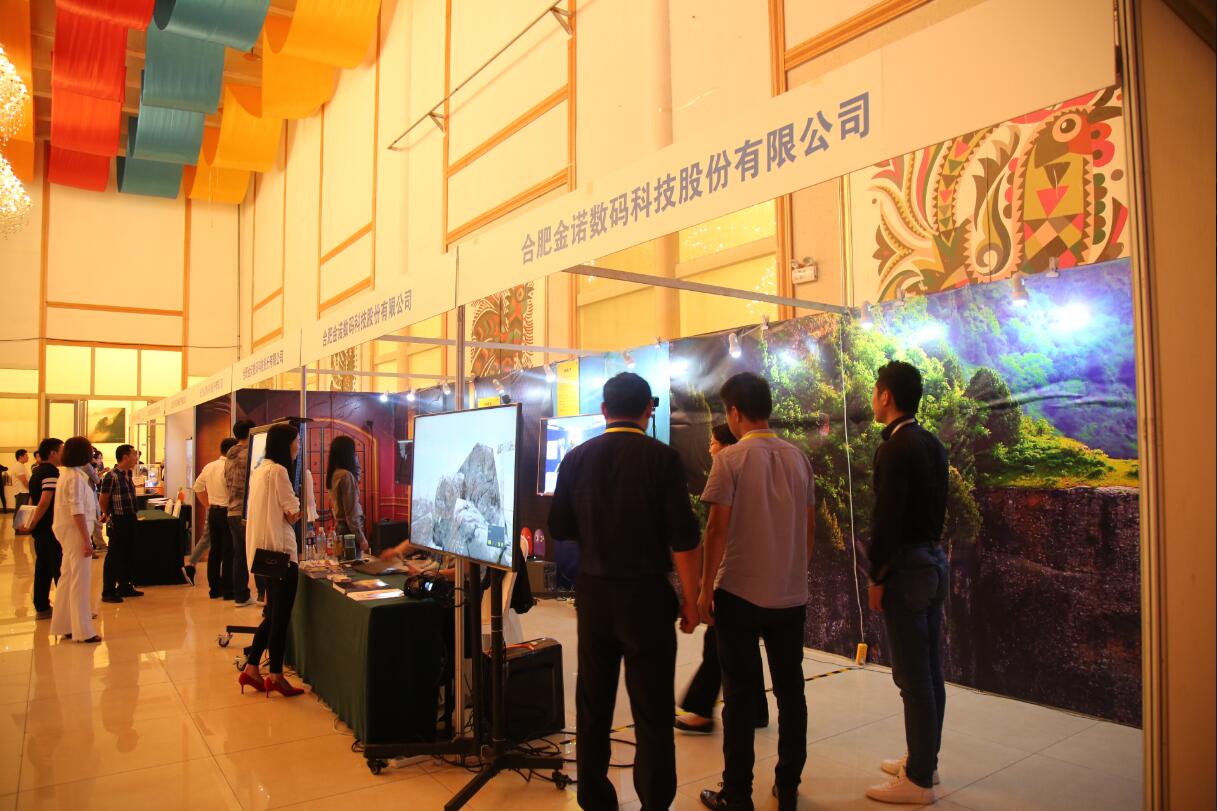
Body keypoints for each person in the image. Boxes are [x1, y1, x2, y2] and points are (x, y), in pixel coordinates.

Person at [548, 372, 702, 811]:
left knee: (593, 703)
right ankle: (654, 800)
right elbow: (684, 540)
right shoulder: (663, 459)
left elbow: (559, 526)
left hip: (594, 594)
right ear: (648, 410)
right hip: (646, 597)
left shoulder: (575, 458)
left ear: (603, 410)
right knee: (652, 709)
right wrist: (691, 601)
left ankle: (595, 797)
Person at [697, 373, 815, 811]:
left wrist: (704, 588)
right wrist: (794, 573)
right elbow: (808, 527)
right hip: (790, 595)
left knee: (740, 698)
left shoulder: (729, 460)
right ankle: (788, 786)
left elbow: (716, 529)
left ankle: (737, 794)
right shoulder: (798, 458)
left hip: (739, 594)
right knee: (791, 692)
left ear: (734, 413)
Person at [863, 361, 950, 805]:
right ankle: (924, 761)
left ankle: (917, 779)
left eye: (875, 390)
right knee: (930, 671)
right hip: (933, 560)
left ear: (886, 396)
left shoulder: (895, 448)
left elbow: (887, 520)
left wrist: (877, 574)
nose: (872, 398)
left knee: (913, 677)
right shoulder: (932, 443)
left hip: (907, 567)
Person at [676, 422, 770, 736]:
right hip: (755, 573)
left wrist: (706, 584)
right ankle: (756, 710)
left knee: (718, 640)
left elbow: (717, 531)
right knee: (740, 642)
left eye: (713, 442)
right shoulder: (760, 470)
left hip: (732, 573)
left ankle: (702, 709)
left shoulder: (729, 470)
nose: (710, 448)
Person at [237, 422, 306, 697]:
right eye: (296, 441)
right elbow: (292, 512)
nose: (298, 446)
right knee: (280, 618)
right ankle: (275, 674)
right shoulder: (278, 471)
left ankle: (252, 667)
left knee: (273, 613)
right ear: (285, 444)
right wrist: (299, 506)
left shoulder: (259, 471)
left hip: (263, 554)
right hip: (281, 554)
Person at [50, 437, 101, 643]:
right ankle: (83, 631)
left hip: (69, 531)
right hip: (75, 533)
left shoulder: (69, 474)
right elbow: (77, 510)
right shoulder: (74, 478)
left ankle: (66, 624)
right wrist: (87, 540)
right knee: (80, 579)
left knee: (69, 577)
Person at [20, 439, 63, 619]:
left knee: (43, 567)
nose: (63, 454)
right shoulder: (51, 472)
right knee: (58, 568)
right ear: (52, 453)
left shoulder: (37, 471)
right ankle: (66, 609)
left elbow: (32, 499)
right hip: (50, 527)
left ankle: (42, 605)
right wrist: (34, 522)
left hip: (41, 529)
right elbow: (44, 502)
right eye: (61, 450)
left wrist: (31, 522)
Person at [191, 437, 238, 596]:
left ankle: (214, 588)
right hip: (228, 512)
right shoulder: (231, 467)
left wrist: (207, 505)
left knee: (215, 550)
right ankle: (228, 589)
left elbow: (197, 487)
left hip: (213, 511)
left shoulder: (209, 466)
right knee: (228, 550)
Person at [99, 445, 143, 603]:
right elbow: (103, 499)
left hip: (130, 518)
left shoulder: (128, 474)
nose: (136, 458)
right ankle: (108, 590)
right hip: (119, 519)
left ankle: (125, 585)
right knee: (114, 555)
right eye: (134, 454)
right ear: (125, 457)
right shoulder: (111, 476)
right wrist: (107, 514)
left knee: (128, 553)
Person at [224, 420, 257, 607]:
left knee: (239, 556)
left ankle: (240, 596)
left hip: (232, 510)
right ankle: (263, 595)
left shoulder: (230, 456)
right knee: (257, 552)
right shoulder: (249, 454)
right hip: (246, 511)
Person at [326, 435, 370, 555]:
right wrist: (361, 538)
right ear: (348, 453)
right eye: (353, 452)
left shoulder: (335, 474)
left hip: (341, 528)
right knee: (352, 564)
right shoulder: (346, 476)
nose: (355, 455)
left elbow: (357, 475)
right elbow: (351, 512)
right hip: (349, 531)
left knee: (344, 563)